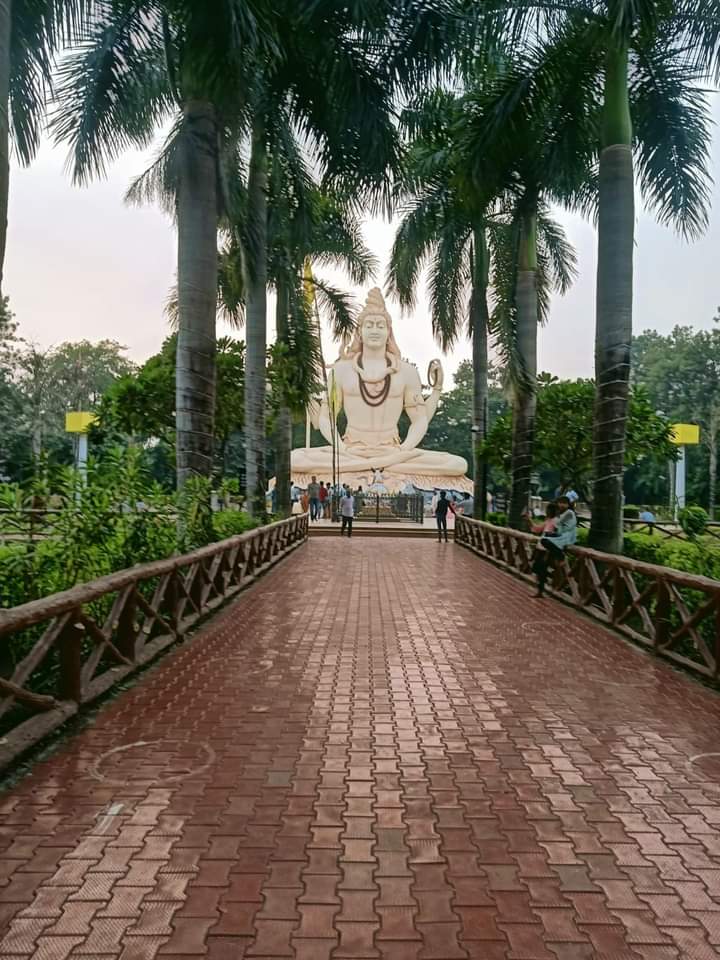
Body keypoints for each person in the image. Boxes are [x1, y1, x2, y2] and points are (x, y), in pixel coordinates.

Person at [531, 496, 577, 597]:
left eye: (563, 503)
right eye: (560, 503)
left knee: (543, 569)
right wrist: (528, 519)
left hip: (548, 549)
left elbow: (560, 529)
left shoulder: (564, 516)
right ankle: (542, 589)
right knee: (538, 569)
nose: (561, 505)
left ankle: (550, 588)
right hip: (543, 547)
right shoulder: (551, 520)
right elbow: (536, 529)